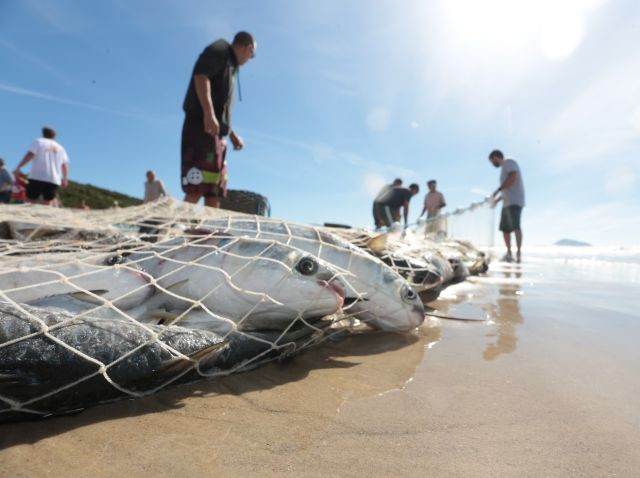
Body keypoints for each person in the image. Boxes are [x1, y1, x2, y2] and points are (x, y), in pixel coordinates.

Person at [181, 31, 256, 208]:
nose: (250, 59)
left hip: (217, 136)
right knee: (198, 186)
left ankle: (207, 235)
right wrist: (208, 113)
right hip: (202, 127)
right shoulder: (220, 49)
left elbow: (221, 109)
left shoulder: (232, 67)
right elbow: (201, 76)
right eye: (252, 54)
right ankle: (168, 231)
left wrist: (231, 134)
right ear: (248, 48)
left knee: (214, 191)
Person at [13, 126, 69, 206]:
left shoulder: (39, 141)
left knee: (30, 199)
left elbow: (30, 155)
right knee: (48, 201)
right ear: (54, 136)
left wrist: (19, 167)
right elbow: (64, 165)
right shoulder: (60, 148)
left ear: (43, 134)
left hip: (37, 176)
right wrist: (65, 179)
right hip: (54, 178)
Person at [488, 149, 525, 263]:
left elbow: (512, 177)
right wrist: (497, 200)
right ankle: (509, 253)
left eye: (492, 161)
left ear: (496, 157)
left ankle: (518, 252)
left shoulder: (508, 162)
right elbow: (506, 191)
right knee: (505, 229)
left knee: (515, 226)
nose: (492, 164)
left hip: (515, 201)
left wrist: (497, 190)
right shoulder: (504, 169)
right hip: (506, 203)